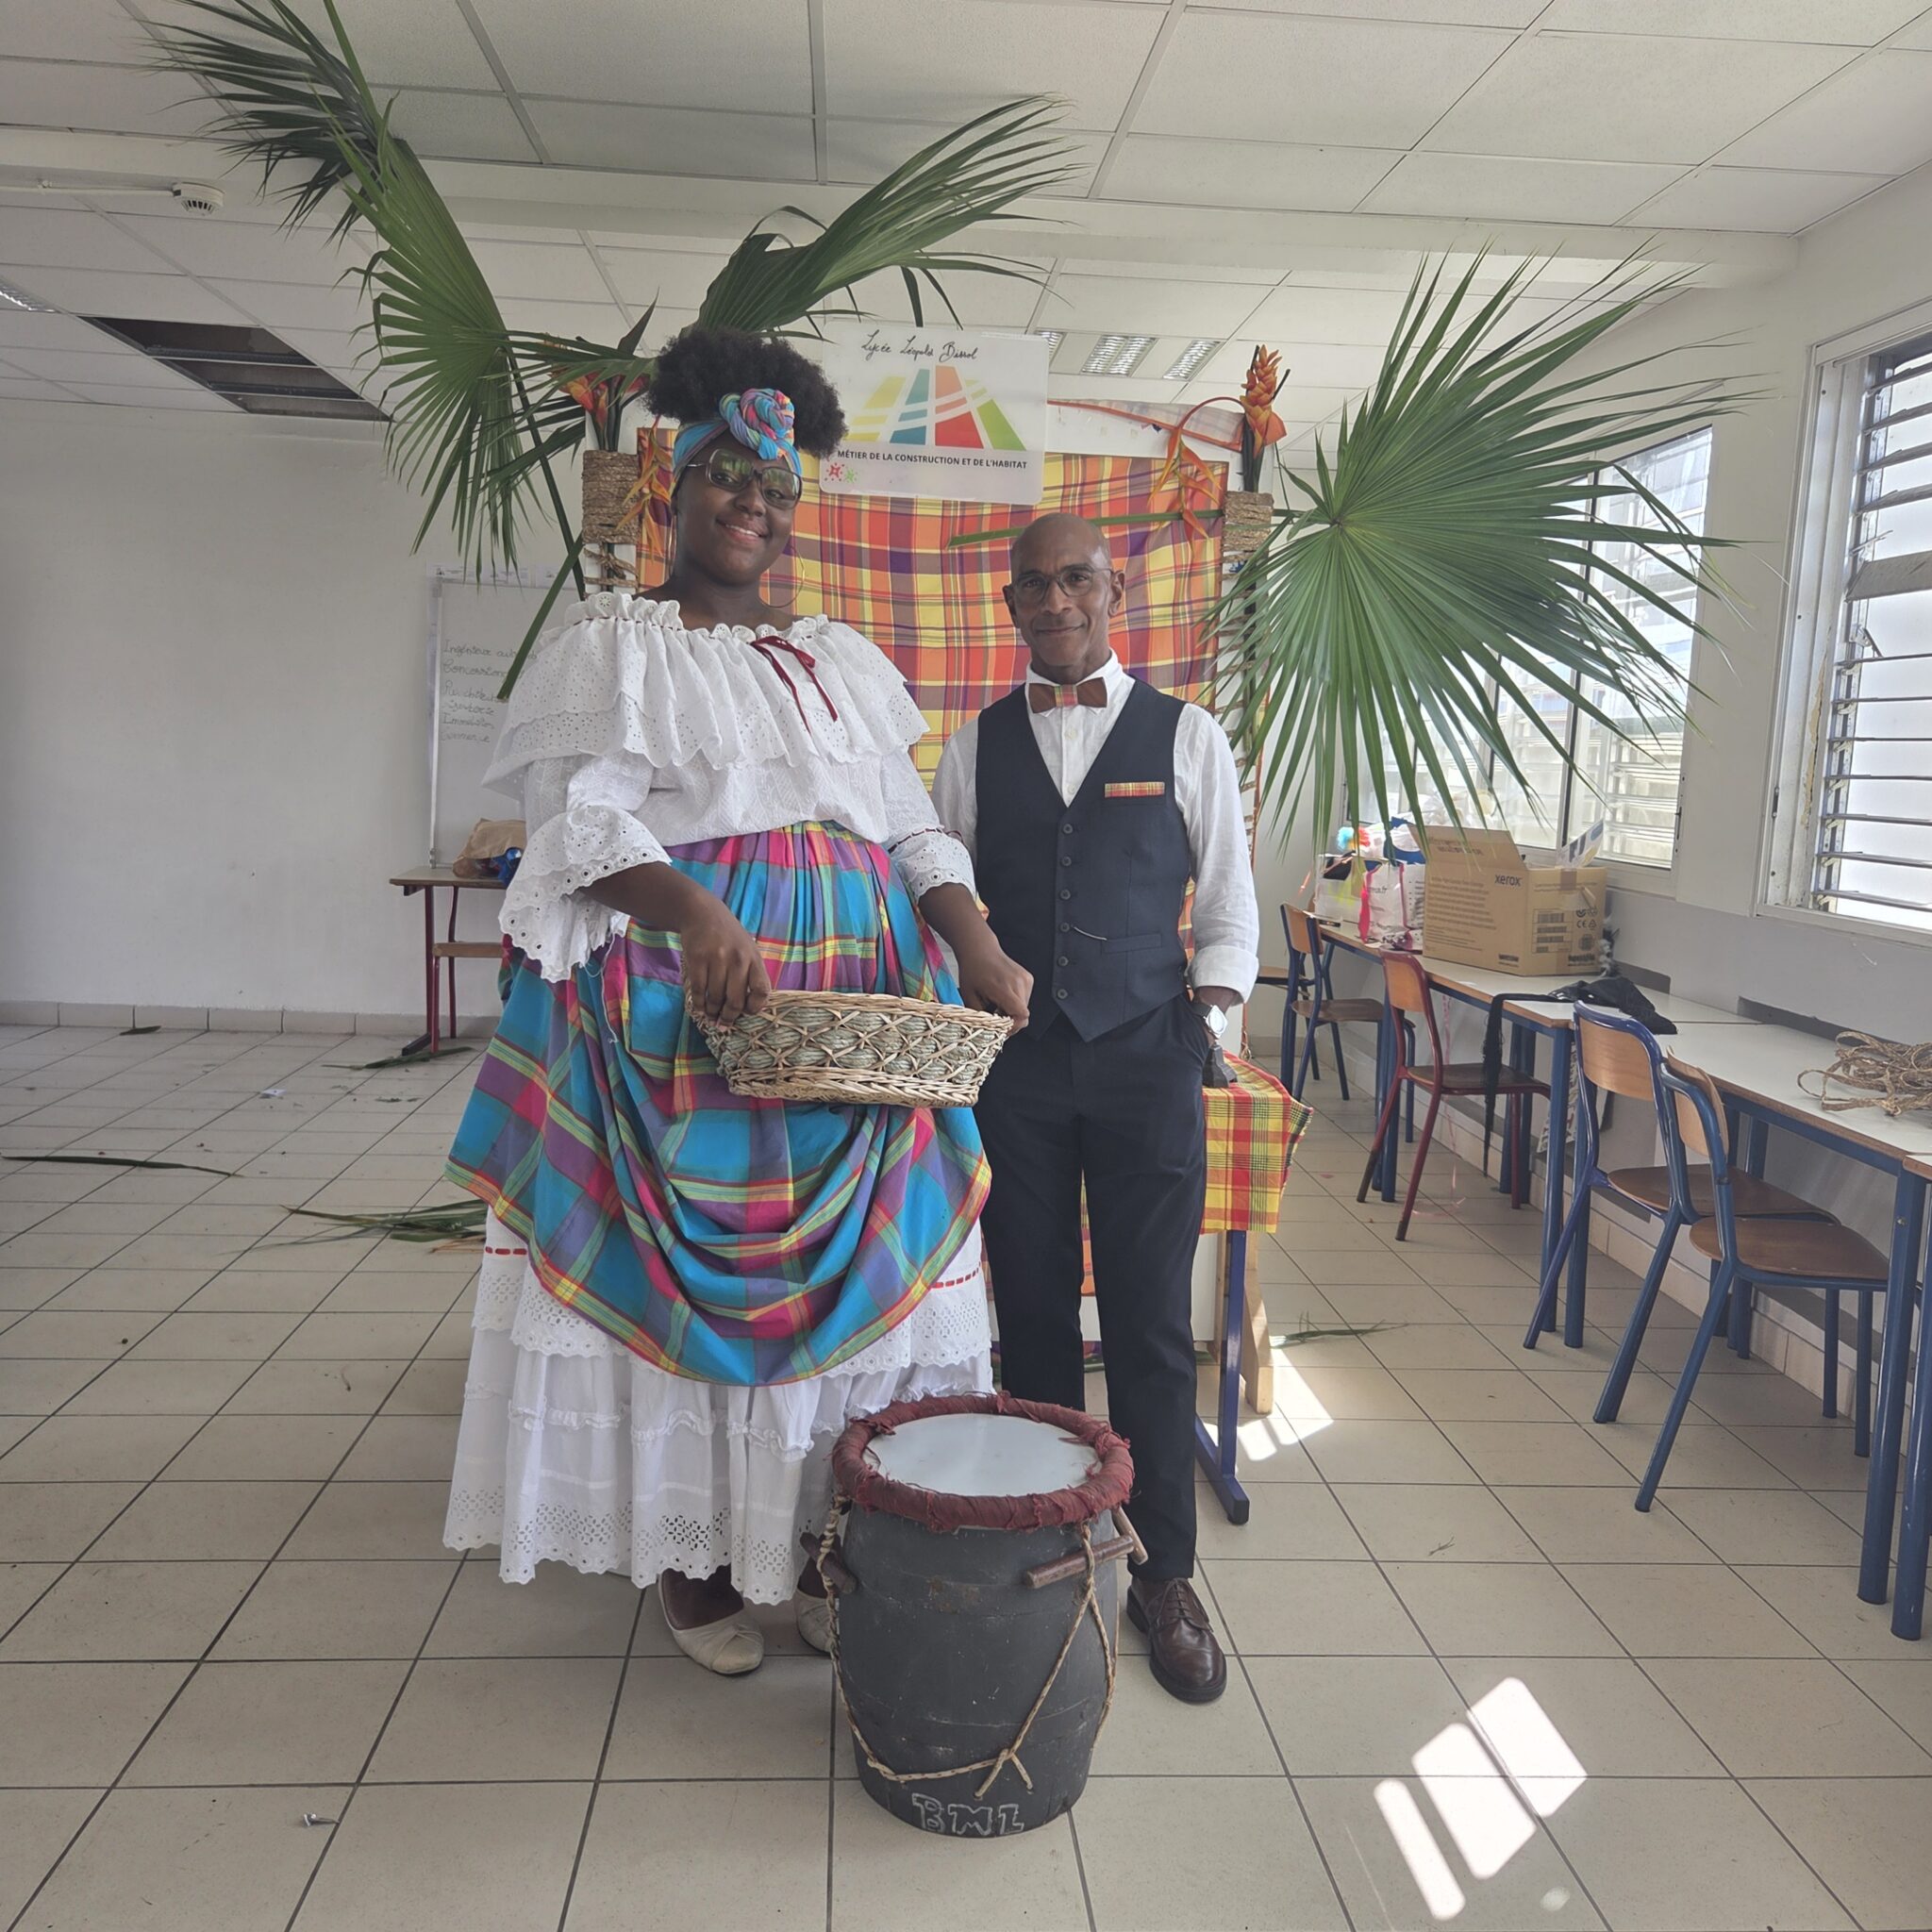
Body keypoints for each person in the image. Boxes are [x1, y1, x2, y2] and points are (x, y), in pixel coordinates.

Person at [442, 326, 1032, 1676]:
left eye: (774, 488)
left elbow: (907, 829)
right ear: (676, 486)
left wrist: (976, 940)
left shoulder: (836, 660)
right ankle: (698, 1565)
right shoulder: (616, 646)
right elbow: (578, 828)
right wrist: (698, 912)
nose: (751, 505)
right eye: (726, 476)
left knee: (863, 1305)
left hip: (861, 1027)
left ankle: (820, 1543)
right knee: (696, 1302)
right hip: (683, 1020)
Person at [933, 513, 1259, 1705]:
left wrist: (1202, 1027)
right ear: (1010, 605)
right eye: (1032, 584)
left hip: (1146, 1060)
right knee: (1029, 1318)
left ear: (1113, 591)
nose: (1054, 599)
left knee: (1148, 1325)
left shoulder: (1187, 734)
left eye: (1075, 578)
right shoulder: (971, 747)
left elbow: (1227, 903)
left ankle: (1162, 1573)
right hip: (1014, 1072)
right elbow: (940, 890)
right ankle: (1051, 1545)